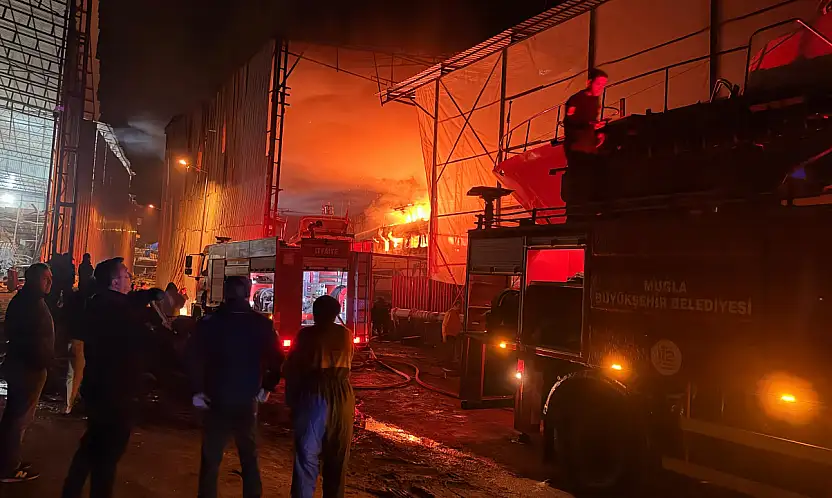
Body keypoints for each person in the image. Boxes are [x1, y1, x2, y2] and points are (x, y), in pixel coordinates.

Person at [61, 257, 155, 498]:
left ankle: (70, 491)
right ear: (115, 282)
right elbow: (146, 341)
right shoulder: (119, 313)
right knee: (108, 453)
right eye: (126, 275)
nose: (130, 278)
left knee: (92, 444)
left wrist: (148, 296)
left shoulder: (101, 304)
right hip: (116, 392)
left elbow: (125, 301)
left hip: (100, 389)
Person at [186, 275, 283, 498]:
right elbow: (277, 359)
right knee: (249, 457)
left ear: (224, 294)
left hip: (216, 399)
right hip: (246, 400)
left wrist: (197, 390)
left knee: (211, 459)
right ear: (248, 293)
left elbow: (192, 357)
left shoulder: (209, 323)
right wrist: (266, 387)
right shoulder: (261, 325)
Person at [285, 295, 355, 498]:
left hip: (315, 393)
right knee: (338, 457)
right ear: (336, 313)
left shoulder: (307, 335)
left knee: (307, 455)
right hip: (343, 395)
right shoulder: (346, 335)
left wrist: (291, 402)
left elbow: (292, 368)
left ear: (315, 313)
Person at [0, 263, 53, 482]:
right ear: (32, 280)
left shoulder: (30, 301)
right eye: (45, 278)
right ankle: (8, 468)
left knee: (16, 417)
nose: (49, 282)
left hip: (27, 367)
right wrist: (39, 359)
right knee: (18, 419)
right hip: (27, 369)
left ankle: (8, 460)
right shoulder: (29, 303)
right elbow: (22, 337)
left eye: (50, 278)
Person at [562, 68, 609, 205]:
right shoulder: (576, 100)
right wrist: (589, 126)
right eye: (598, 84)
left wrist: (599, 133)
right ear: (589, 82)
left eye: (603, 85)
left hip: (589, 147)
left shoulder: (595, 100)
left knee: (591, 179)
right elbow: (570, 123)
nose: (601, 88)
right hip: (577, 148)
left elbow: (592, 120)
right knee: (579, 181)